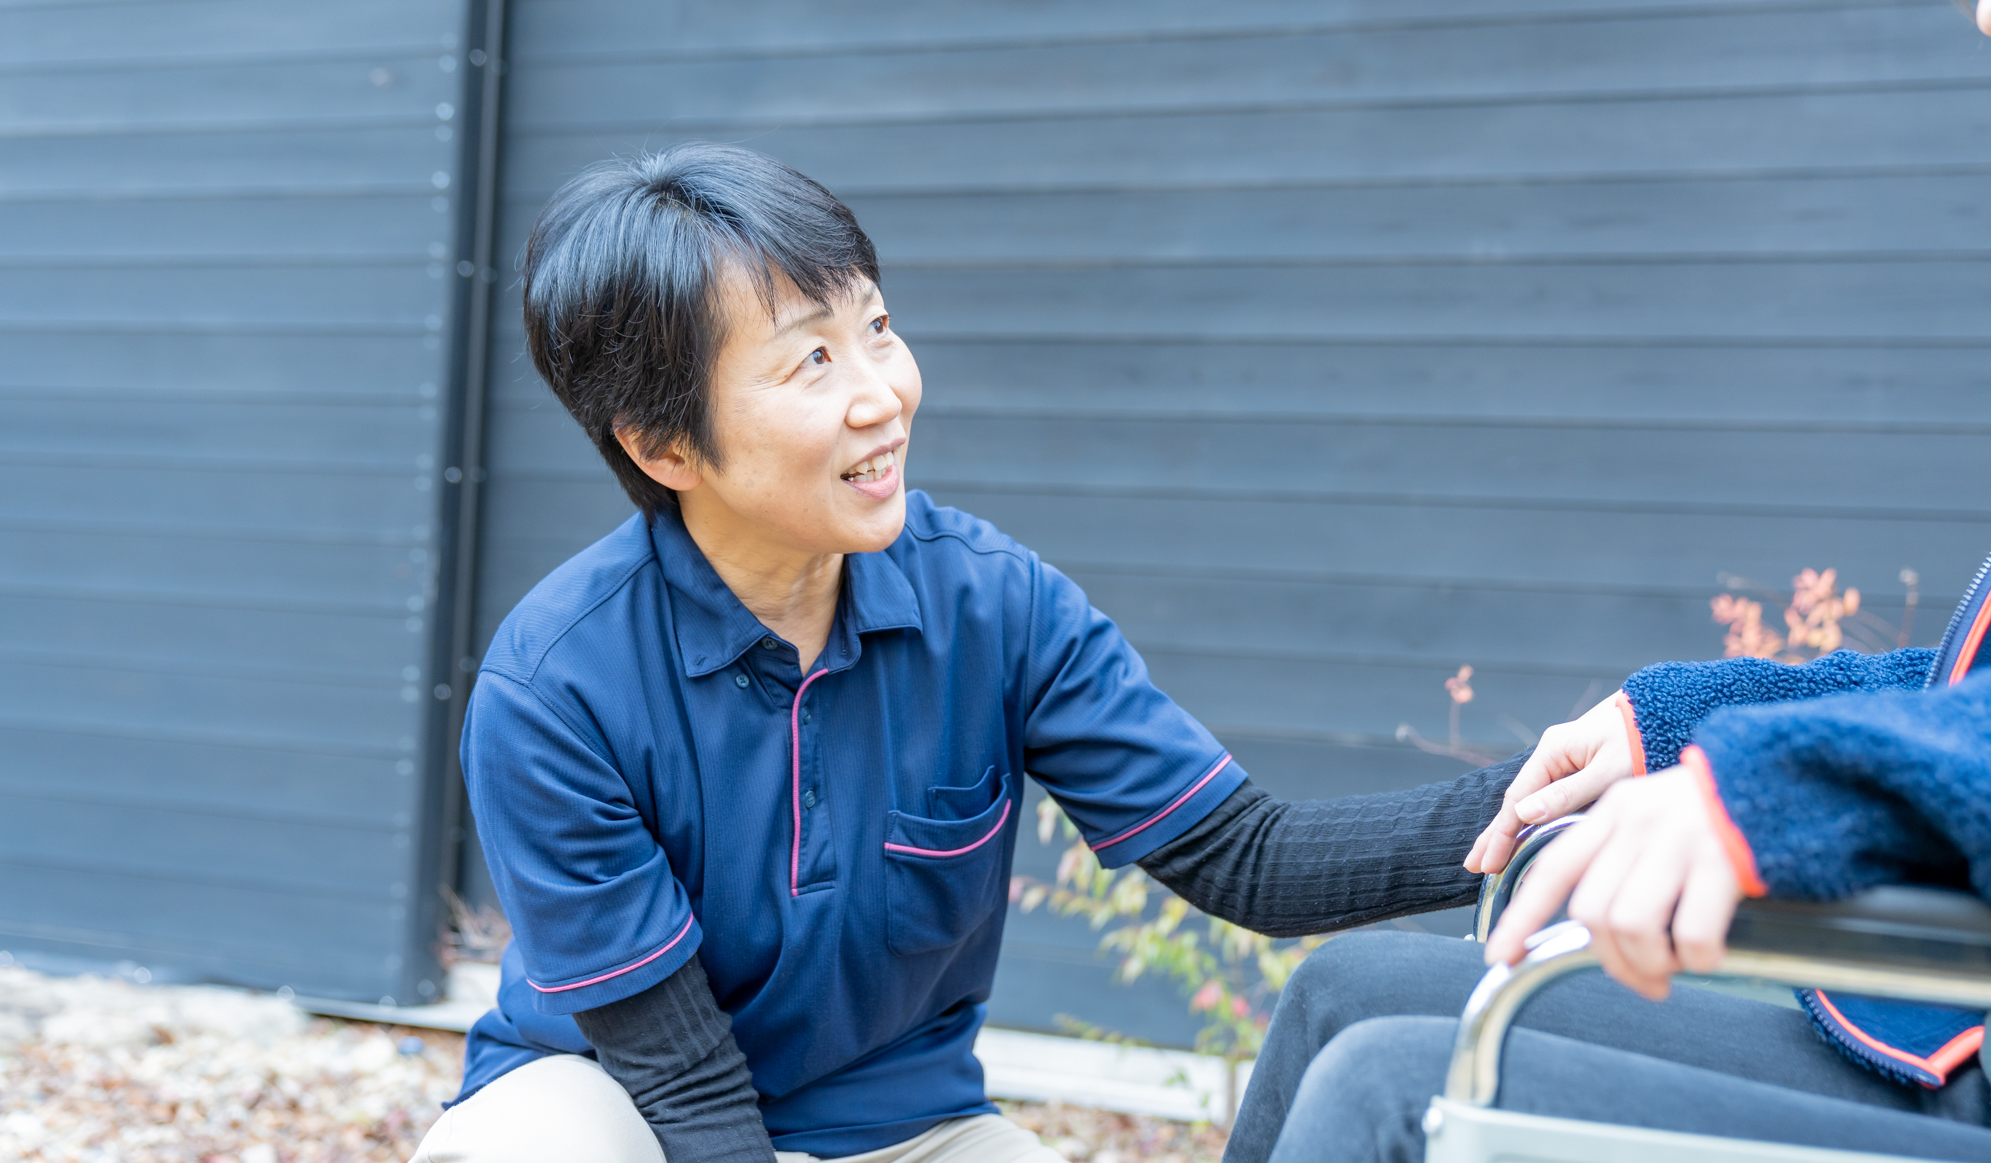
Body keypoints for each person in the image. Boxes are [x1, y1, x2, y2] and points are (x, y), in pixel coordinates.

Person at [405, 144, 1640, 1163]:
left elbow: (1243, 858)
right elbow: (687, 1090)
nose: (880, 392)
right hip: (619, 1109)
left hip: (904, 1127)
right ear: (665, 448)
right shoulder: (553, 689)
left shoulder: (990, 602)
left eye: (876, 328)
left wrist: (1542, 798)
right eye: (810, 360)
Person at [1220, 0, 1991, 1159]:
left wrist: (1775, 789)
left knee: (1391, 1096)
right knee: (1343, 995)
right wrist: (1693, 724)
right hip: (1960, 1047)